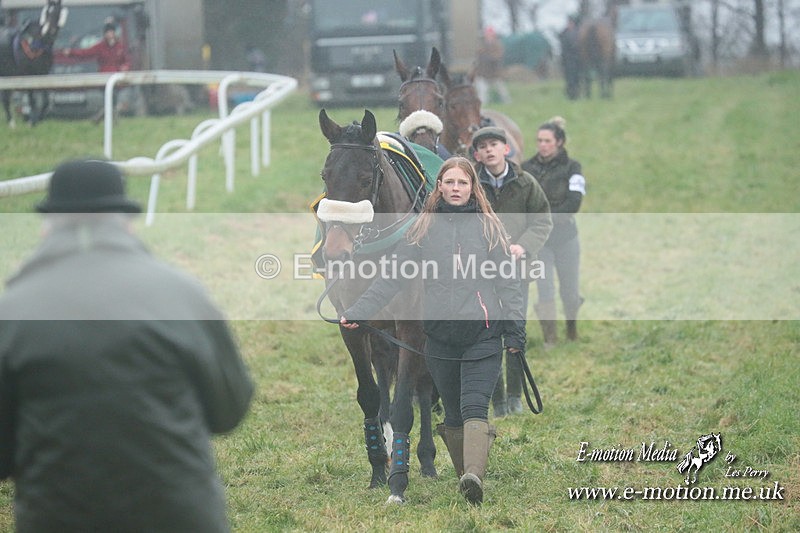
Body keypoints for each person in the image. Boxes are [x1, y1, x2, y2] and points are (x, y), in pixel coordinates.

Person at [0, 159, 254, 532]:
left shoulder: (13, 310)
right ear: (125, 221)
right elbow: (228, 410)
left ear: (45, 227)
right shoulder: (181, 293)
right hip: (180, 514)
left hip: (58, 517)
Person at [339, 157, 526, 505]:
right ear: (439, 186)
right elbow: (393, 276)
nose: (456, 188)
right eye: (449, 182)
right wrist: (360, 310)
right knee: (453, 414)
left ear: (473, 188)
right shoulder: (422, 229)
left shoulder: (489, 228)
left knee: (474, 408)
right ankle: (467, 477)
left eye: (462, 183)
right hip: (439, 339)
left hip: (482, 334)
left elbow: (509, 284)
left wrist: (515, 333)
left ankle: (474, 475)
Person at [471, 126, 552, 417]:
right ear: (477, 154)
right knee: (487, 335)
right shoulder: (471, 186)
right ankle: (498, 401)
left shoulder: (526, 183)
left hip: (517, 269)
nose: (489, 150)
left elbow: (542, 220)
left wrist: (523, 247)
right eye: (483, 146)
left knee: (515, 332)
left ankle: (516, 395)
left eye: (495, 144)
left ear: (507, 149)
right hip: (481, 273)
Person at [521, 116, 586, 347]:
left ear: (559, 142)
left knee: (569, 290)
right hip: (540, 243)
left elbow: (574, 203)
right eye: (539, 140)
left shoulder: (573, 168)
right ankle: (550, 338)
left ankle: (571, 328)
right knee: (544, 288)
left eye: (547, 140)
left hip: (566, 239)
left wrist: (544, 218)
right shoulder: (526, 169)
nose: (542, 145)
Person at [64, 20, 133, 121]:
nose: (110, 34)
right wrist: (71, 53)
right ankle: (107, 120)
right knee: (110, 99)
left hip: (117, 81)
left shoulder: (120, 47)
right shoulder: (100, 47)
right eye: (108, 32)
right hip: (104, 79)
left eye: (111, 32)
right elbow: (86, 53)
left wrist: (126, 67)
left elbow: (127, 60)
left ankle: (100, 119)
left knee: (114, 100)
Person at [474, 26, 511, 104]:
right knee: (482, 94)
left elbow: (497, 57)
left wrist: (487, 55)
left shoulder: (498, 46)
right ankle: (483, 108)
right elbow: (478, 57)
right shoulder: (481, 45)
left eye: (491, 35)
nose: (489, 37)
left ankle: (508, 104)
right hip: (482, 74)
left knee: (503, 92)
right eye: (488, 35)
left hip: (495, 74)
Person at [560, 15, 581, 100]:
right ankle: (570, 94)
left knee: (576, 78)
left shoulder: (577, 33)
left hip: (576, 60)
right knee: (569, 78)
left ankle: (575, 93)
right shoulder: (565, 34)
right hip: (568, 60)